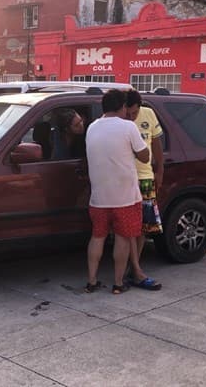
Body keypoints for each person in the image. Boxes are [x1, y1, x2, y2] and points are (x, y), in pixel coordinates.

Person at [84, 89, 150, 295]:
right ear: (122, 107)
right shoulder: (128, 127)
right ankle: (118, 284)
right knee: (122, 238)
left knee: (97, 237)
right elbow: (145, 157)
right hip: (125, 198)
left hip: (98, 198)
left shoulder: (92, 128)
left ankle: (92, 281)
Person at [123, 90, 163, 291]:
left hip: (146, 178)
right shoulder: (119, 121)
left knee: (143, 228)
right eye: (128, 113)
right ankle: (136, 271)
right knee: (129, 227)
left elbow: (156, 145)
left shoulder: (148, 114)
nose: (131, 117)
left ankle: (134, 267)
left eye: (134, 113)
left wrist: (160, 171)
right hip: (127, 180)